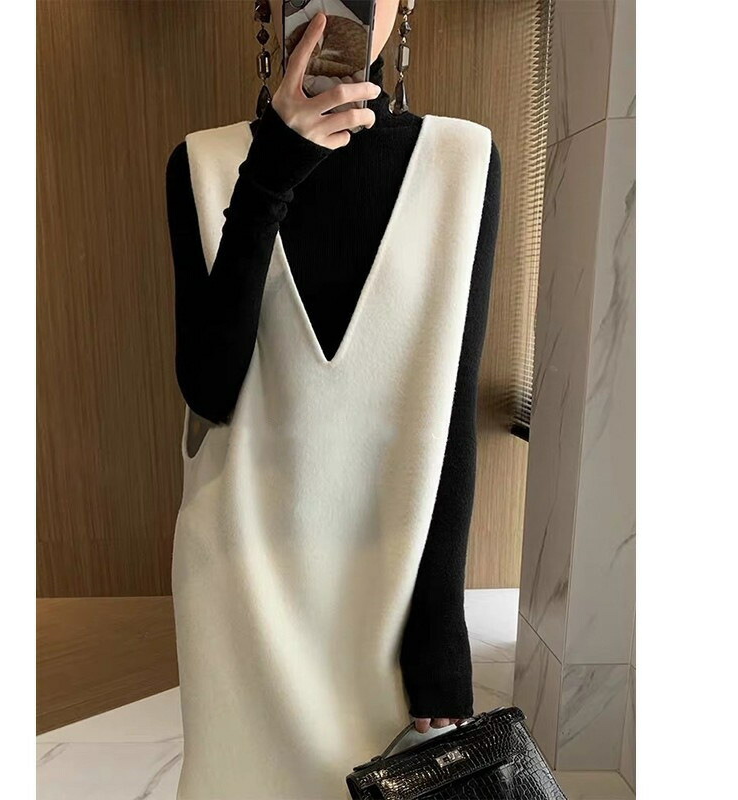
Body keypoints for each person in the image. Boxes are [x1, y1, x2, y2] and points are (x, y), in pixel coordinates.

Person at [165, 5, 501, 798]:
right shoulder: (203, 162)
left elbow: (450, 413)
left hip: (385, 591)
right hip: (239, 586)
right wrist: (268, 176)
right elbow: (209, 388)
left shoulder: (461, 159)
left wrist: (440, 639)